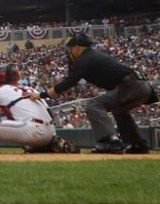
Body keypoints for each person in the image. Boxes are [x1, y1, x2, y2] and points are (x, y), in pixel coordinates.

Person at [28, 33, 157, 154]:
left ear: (77, 48)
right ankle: (137, 144)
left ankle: (110, 141)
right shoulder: (92, 55)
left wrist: (41, 95)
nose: (69, 52)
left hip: (131, 86)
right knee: (119, 110)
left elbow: (67, 83)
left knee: (94, 105)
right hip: (142, 87)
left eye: (70, 48)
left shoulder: (84, 59)